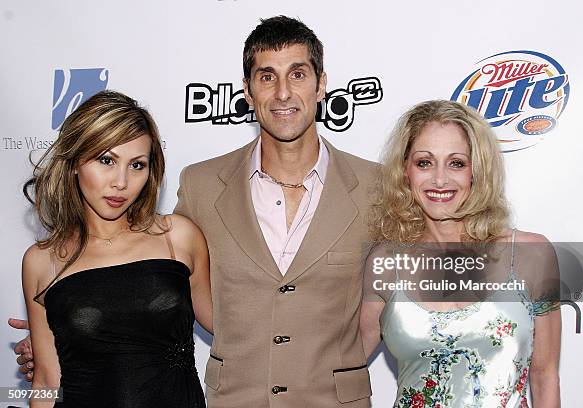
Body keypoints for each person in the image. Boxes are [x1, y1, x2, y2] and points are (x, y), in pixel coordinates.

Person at [12, 16, 376, 407]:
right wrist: (64, 332)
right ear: (248, 92)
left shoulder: (378, 186)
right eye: (267, 76)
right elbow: (50, 381)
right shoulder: (202, 188)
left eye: (298, 74)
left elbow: (407, 283)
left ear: (322, 84)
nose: (283, 92)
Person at [359, 100, 561, 407]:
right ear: (405, 172)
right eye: (424, 162)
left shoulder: (531, 255)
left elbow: (545, 377)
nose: (440, 180)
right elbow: (344, 363)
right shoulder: (386, 263)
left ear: (476, 172)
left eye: (456, 163)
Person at [19, 90, 212, 407]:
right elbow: (46, 381)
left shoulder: (177, 236)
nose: (121, 182)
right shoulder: (42, 261)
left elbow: (229, 325)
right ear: (74, 162)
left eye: (137, 165)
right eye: (106, 160)